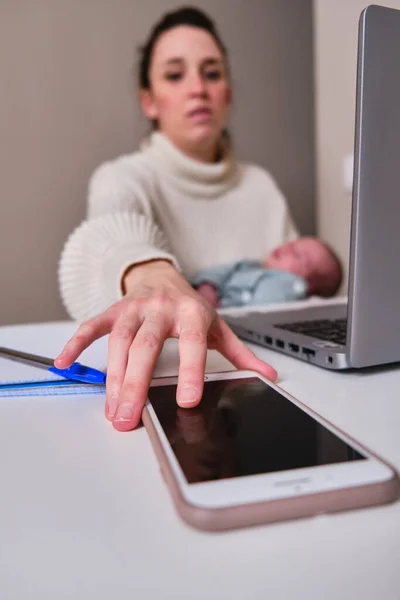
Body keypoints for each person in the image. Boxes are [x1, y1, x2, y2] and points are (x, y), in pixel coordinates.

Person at [55, 7, 331, 432]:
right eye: (174, 75)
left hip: (269, 397)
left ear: (229, 94)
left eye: (212, 73)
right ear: (149, 101)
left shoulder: (261, 187)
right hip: (175, 407)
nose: (198, 88)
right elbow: (107, 238)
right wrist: (147, 273)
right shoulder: (122, 178)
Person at [194, 237, 342, 309]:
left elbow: (257, 314)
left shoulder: (289, 284)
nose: (287, 248)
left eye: (298, 255)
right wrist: (207, 286)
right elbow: (214, 271)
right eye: (293, 243)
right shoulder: (251, 264)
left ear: (306, 284)